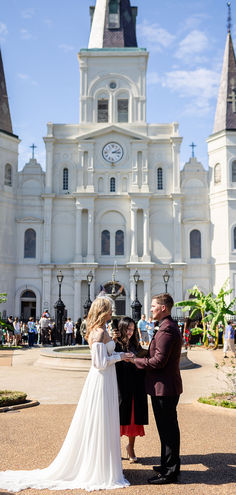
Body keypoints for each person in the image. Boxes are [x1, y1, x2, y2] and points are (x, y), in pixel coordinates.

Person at [0, 296, 131, 491]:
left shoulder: (100, 330)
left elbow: (104, 358)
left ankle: (104, 466)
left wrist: (116, 348)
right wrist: (121, 356)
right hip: (101, 380)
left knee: (105, 420)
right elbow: (100, 364)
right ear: (103, 311)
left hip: (107, 379)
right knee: (101, 420)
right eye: (110, 310)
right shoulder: (98, 332)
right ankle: (99, 469)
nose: (112, 313)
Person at [126, 293, 183, 485]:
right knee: (166, 429)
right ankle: (167, 464)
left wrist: (135, 360)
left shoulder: (167, 330)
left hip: (164, 388)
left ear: (163, 308)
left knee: (168, 430)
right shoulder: (166, 327)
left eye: (153, 306)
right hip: (163, 386)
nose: (150, 309)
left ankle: (170, 472)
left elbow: (158, 361)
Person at [114, 317, 148, 463]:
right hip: (121, 385)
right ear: (122, 328)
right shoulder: (116, 344)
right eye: (128, 329)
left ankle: (131, 447)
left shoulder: (135, 343)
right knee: (117, 418)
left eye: (132, 329)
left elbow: (142, 356)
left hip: (135, 385)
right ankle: (114, 450)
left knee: (134, 418)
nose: (130, 332)